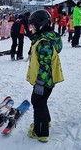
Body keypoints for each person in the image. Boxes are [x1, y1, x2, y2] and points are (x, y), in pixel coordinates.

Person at [26, 9, 64, 142]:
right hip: (47, 79)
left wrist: (40, 83)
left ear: (40, 24)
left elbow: (45, 65)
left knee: (38, 102)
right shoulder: (47, 38)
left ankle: (41, 132)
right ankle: (44, 121)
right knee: (41, 101)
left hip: (44, 80)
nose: (31, 28)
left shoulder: (43, 42)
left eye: (33, 25)